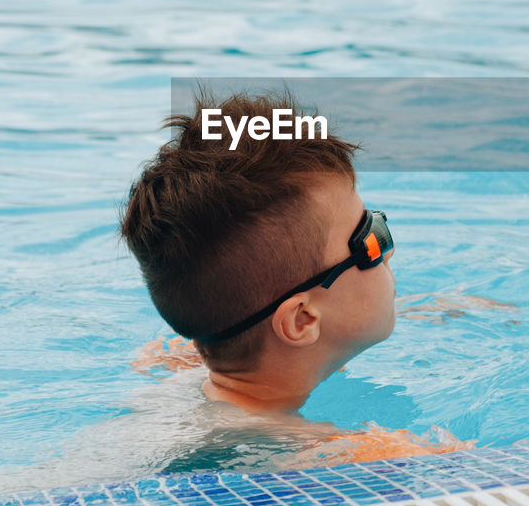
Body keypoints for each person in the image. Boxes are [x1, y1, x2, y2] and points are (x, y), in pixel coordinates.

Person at [119, 89, 472, 465]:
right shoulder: (344, 455)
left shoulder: (200, 364)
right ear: (302, 320)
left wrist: (418, 310)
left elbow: (169, 353)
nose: (389, 247)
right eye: (370, 241)